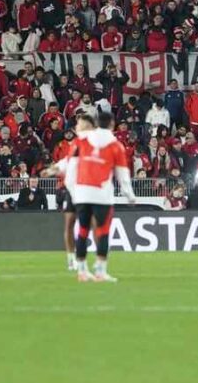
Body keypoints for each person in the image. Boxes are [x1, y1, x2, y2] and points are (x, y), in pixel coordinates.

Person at [50, 113, 136, 282]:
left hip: (81, 193)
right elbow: (122, 173)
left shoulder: (80, 141)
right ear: (112, 124)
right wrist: (130, 195)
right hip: (102, 193)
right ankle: (100, 270)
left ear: (96, 124)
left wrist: (68, 182)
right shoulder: (115, 145)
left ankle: (82, 270)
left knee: (82, 230)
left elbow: (71, 164)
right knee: (102, 231)